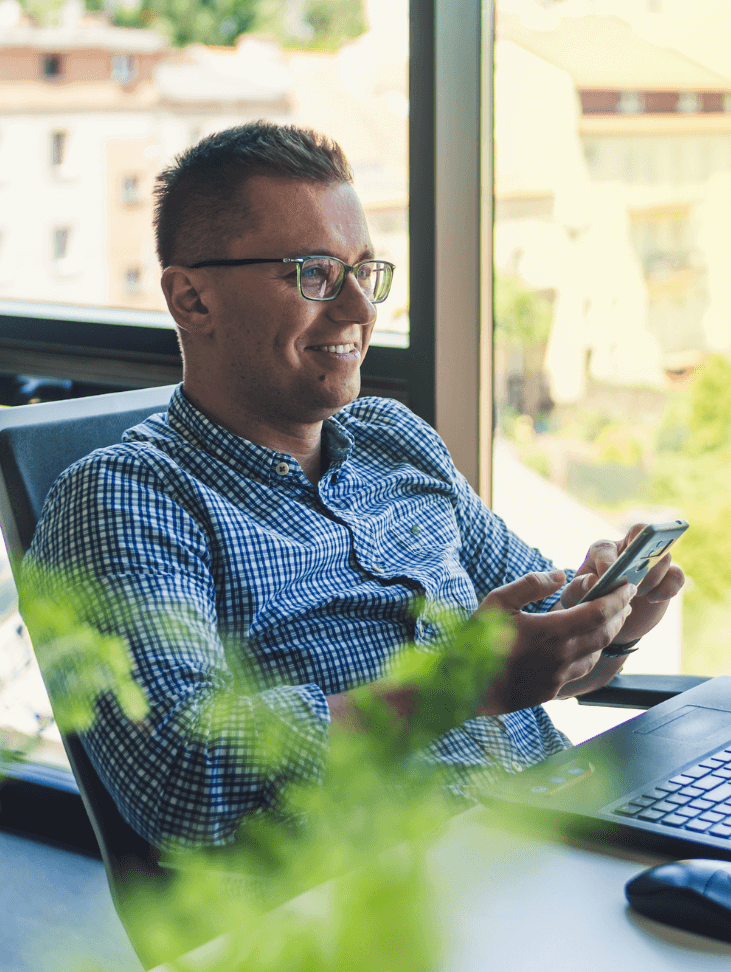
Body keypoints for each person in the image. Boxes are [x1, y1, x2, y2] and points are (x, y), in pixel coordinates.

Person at [29, 122, 683, 849]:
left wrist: (606, 624)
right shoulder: (127, 500)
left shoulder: (391, 437)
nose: (361, 312)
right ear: (193, 300)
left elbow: (534, 649)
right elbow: (185, 781)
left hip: (558, 834)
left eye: (363, 272)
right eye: (314, 274)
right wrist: (458, 687)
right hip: (379, 921)